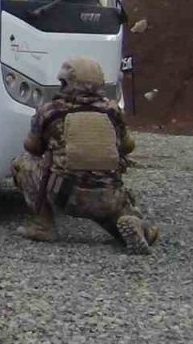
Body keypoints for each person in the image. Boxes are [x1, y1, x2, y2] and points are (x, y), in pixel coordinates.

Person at [11, 57, 160, 254]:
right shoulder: (112, 110)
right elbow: (127, 147)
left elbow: (32, 148)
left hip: (66, 195)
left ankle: (43, 226)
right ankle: (141, 228)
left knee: (22, 163)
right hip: (109, 197)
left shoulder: (50, 111)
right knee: (105, 196)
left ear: (66, 83)